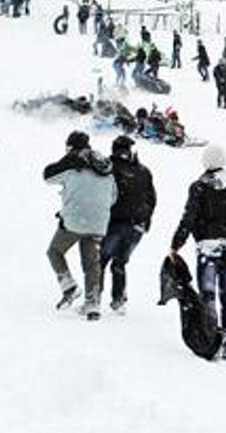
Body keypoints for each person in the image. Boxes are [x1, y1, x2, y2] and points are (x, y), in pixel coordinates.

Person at [170, 144, 226, 359]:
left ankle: (210, 337)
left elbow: (189, 218)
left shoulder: (198, 187)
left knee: (208, 296)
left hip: (208, 246)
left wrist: (176, 244)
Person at [45, 131, 117, 321]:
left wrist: (68, 159)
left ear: (70, 147)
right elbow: (113, 197)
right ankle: (92, 303)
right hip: (98, 221)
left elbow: (47, 176)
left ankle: (69, 286)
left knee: (54, 251)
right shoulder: (105, 168)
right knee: (92, 264)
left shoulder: (71, 164)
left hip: (75, 220)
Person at [100, 135, 156, 314]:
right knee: (119, 263)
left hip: (114, 223)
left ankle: (94, 297)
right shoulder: (143, 171)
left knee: (100, 260)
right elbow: (151, 199)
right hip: (136, 226)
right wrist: (145, 221)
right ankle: (118, 299)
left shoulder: (108, 170)